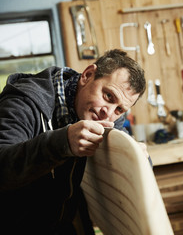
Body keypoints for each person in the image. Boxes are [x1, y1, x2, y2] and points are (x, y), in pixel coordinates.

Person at [0, 49, 147, 234]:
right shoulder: (23, 102)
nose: (108, 113)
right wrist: (62, 143)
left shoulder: (107, 115)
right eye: (108, 96)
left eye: (119, 109)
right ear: (87, 75)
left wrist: (139, 159)